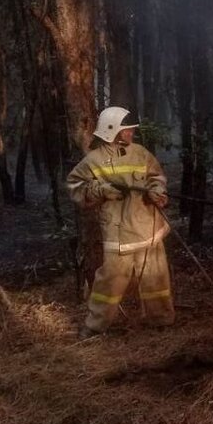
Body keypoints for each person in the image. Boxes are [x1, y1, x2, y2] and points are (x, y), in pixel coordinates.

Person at [67, 106, 175, 338]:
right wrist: (101, 190)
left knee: (156, 277)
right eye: (126, 130)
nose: (131, 133)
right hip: (119, 231)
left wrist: (157, 191)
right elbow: (75, 187)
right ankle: (95, 326)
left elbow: (157, 176)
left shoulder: (140, 153)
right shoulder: (93, 160)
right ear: (110, 130)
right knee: (111, 280)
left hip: (149, 226)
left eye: (131, 130)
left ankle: (162, 320)